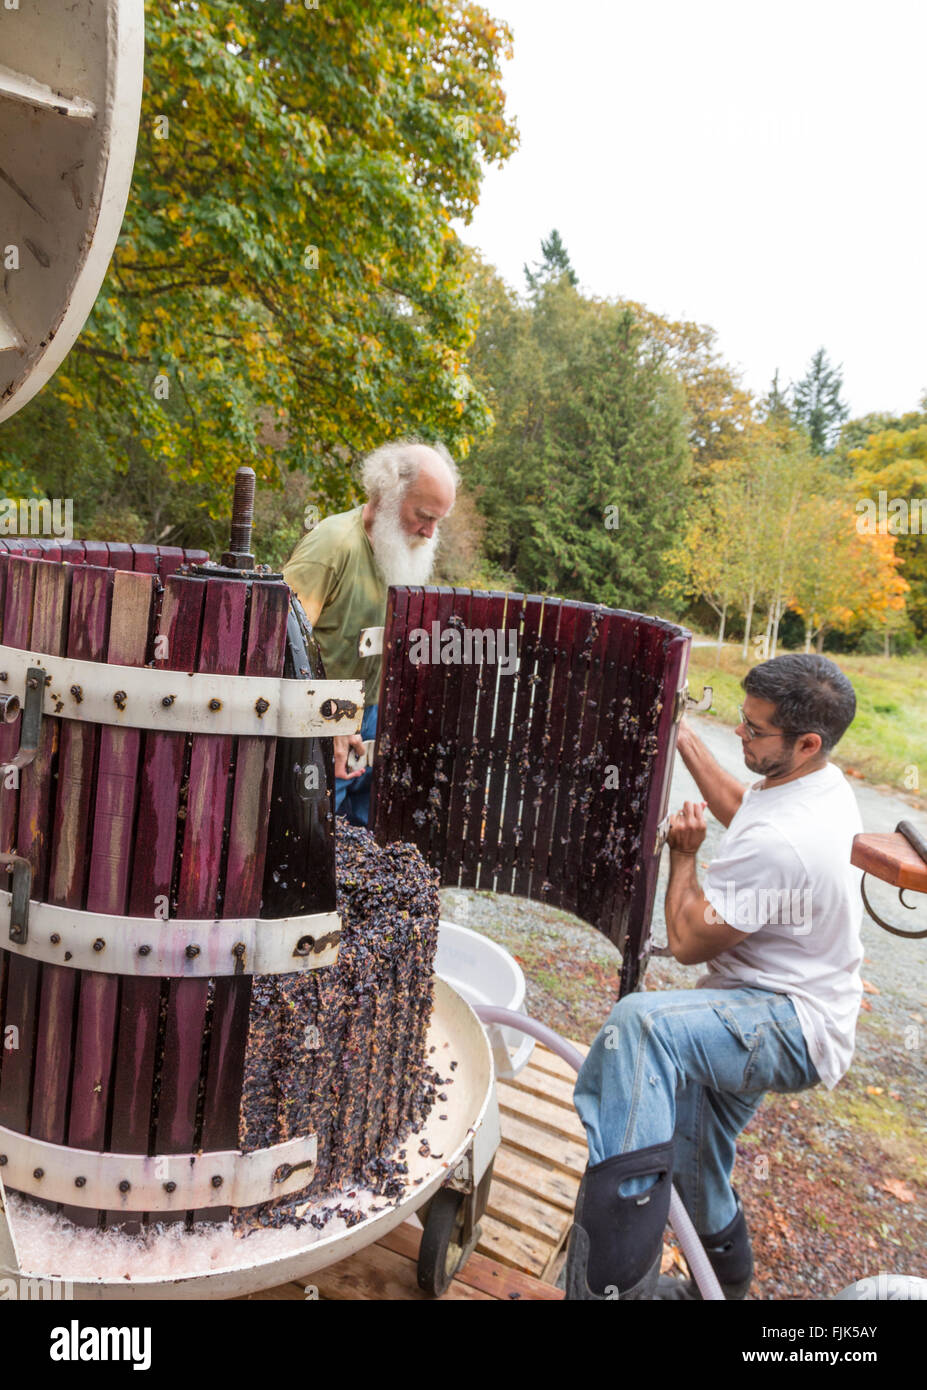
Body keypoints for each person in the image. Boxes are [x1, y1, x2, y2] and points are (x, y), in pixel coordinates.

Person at [566, 653, 863, 1300]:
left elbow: (688, 939)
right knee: (692, 1156)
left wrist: (683, 858)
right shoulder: (812, 781)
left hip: (787, 1021)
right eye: (742, 721)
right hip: (777, 1002)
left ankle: (608, 1279)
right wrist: (681, 737)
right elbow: (743, 806)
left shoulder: (789, 841)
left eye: (754, 732)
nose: (741, 734)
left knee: (639, 1028)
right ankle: (720, 1290)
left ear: (806, 743)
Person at [283, 439, 458, 826]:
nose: (430, 533)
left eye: (438, 521)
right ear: (390, 495)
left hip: (375, 716)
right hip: (319, 717)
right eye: (424, 516)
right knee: (316, 838)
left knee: (364, 843)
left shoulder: (399, 549)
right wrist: (327, 721)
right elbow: (279, 642)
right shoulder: (332, 544)